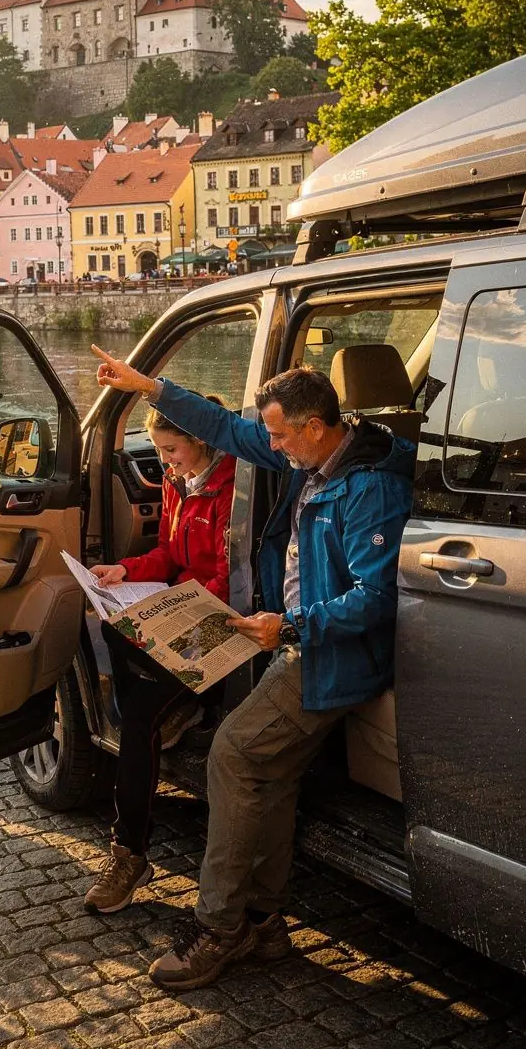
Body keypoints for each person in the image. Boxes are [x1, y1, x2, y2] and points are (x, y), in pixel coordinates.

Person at [92, 345, 415, 991]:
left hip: (327, 653)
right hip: (297, 641)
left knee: (234, 755)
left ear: (313, 428)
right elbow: (228, 430)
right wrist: (150, 388)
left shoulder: (367, 484)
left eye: (277, 435)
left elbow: (376, 600)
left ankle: (221, 926)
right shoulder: (318, 453)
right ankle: (264, 922)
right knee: (268, 773)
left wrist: (288, 627)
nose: (268, 445)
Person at [83, 398, 236, 916]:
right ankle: (172, 707)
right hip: (186, 605)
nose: (166, 462)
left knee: (137, 718)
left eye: (173, 451)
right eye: (161, 451)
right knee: (109, 624)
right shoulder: (178, 482)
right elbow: (169, 554)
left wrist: (178, 603)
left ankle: (129, 855)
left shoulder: (233, 486)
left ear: (203, 441)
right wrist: (126, 572)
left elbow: (228, 578)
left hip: (220, 617)